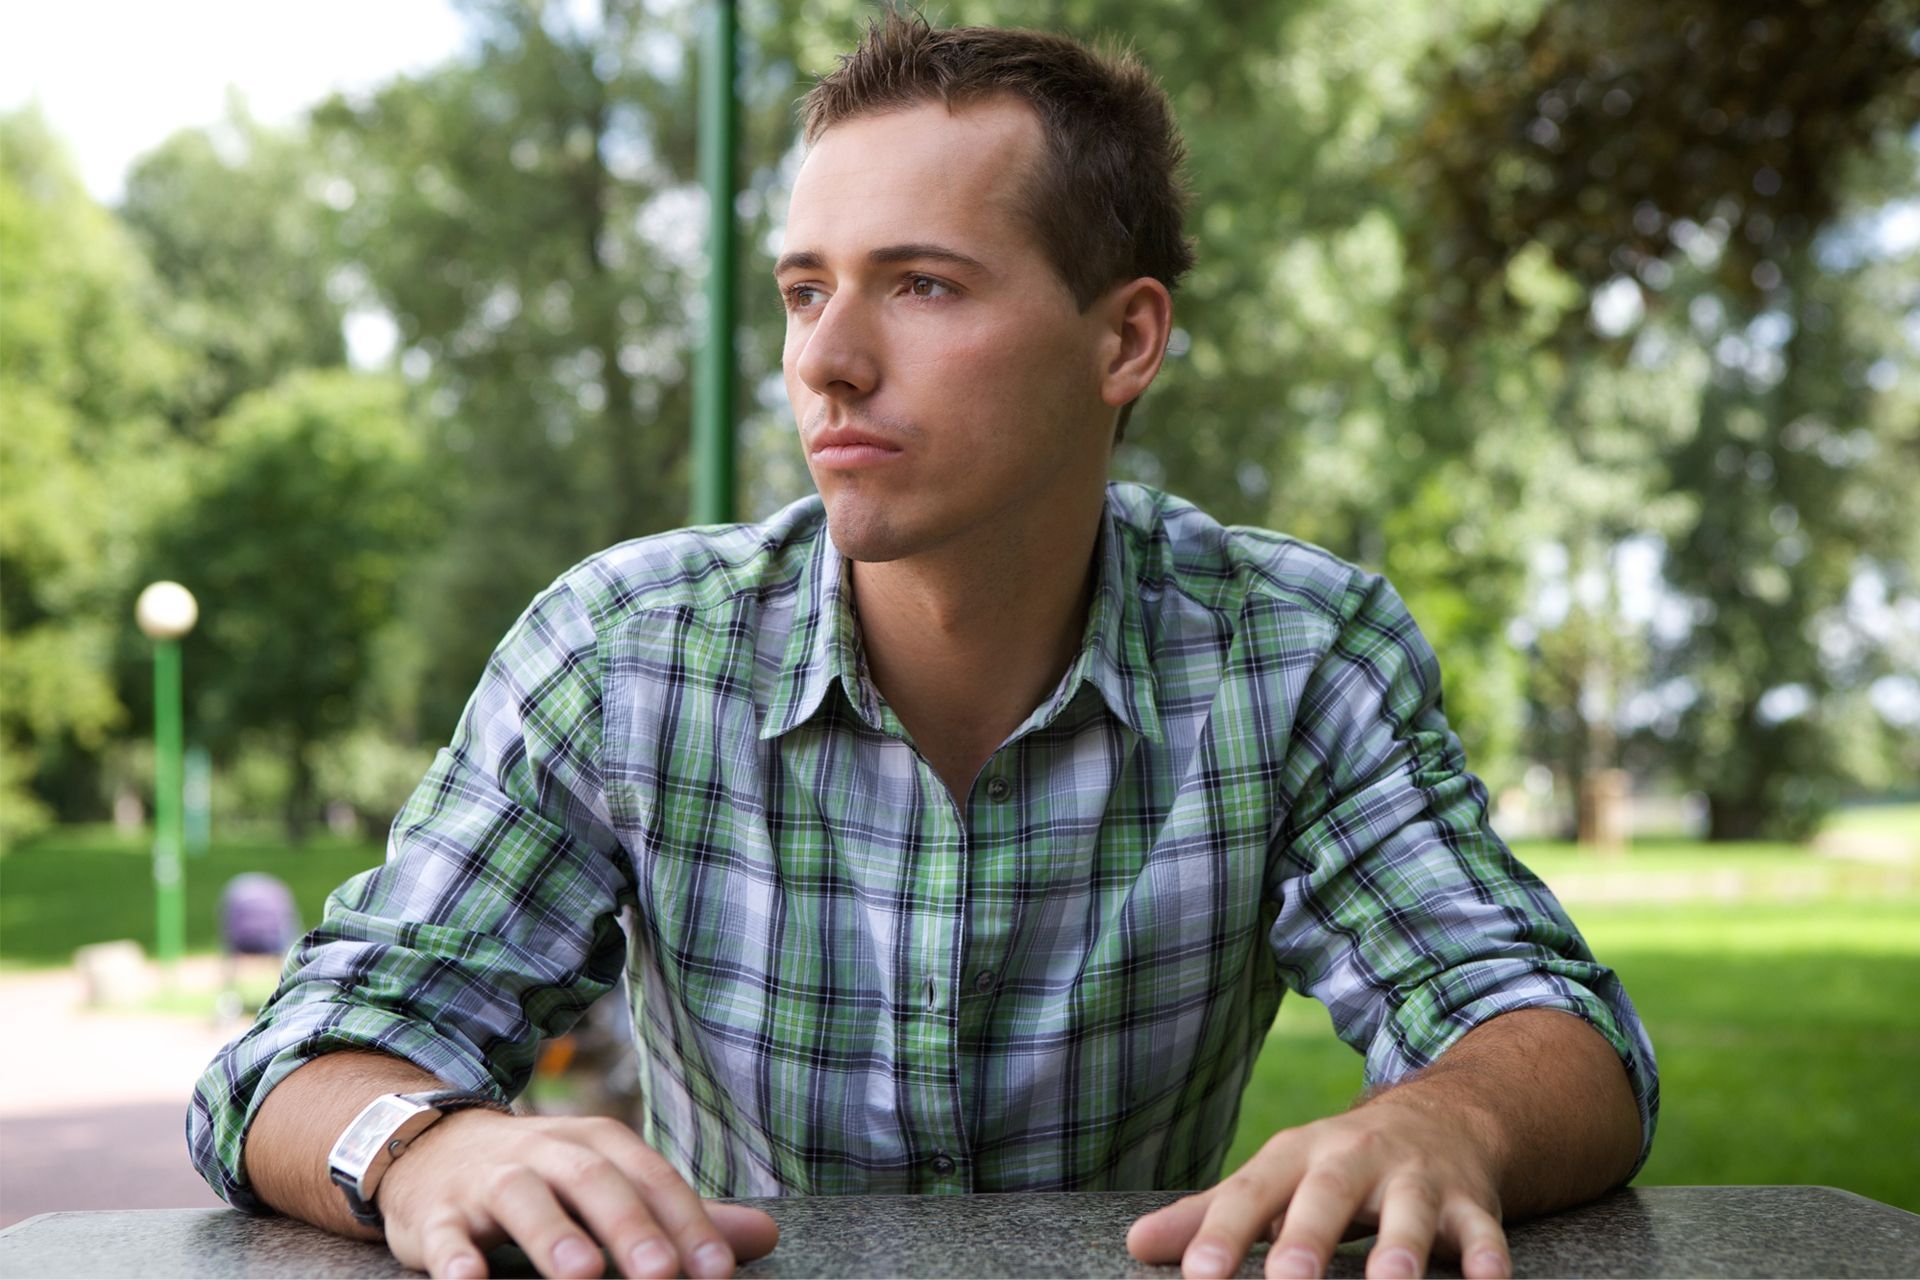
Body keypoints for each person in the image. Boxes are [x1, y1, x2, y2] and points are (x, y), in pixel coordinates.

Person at [188, 13, 1658, 1280]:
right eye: (805, 287)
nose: (825, 358)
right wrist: (424, 1148)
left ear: (1125, 341)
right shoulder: (625, 651)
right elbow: (290, 1065)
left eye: (922, 285)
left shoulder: (1295, 654)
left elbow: (1559, 1038)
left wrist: (1442, 1121)